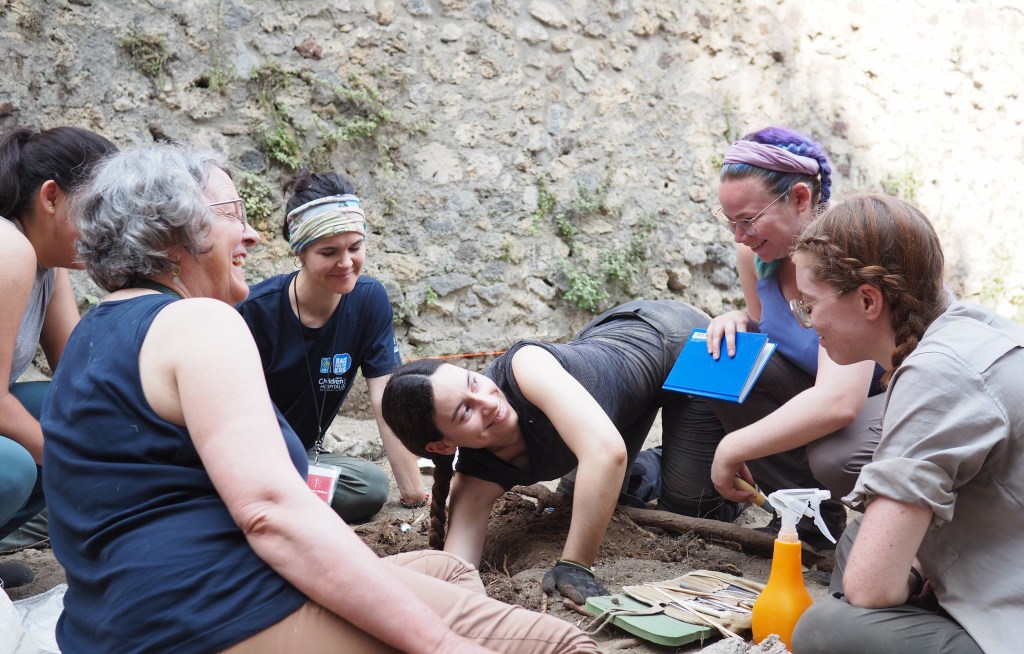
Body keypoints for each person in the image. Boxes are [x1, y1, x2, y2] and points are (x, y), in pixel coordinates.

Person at [40, 142, 597, 653]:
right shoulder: (202, 322)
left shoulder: (93, 332)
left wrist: (410, 493)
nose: (253, 235)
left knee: (447, 571)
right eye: (231, 213)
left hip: (111, 624)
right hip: (213, 614)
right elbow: (270, 513)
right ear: (173, 235)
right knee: (559, 645)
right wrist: (440, 645)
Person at [381, 300, 730, 605]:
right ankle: (659, 463)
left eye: (474, 382)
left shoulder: (527, 366)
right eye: (465, 412)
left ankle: (729, 463)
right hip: (623, 404)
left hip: (682, 343)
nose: (488, 402)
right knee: (576, 499)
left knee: (692, 507)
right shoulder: (476, 477)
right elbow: (458, 569)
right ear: (443, 445)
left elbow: (607, 454)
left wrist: (575, 564)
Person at [787, 194, 1018, 653]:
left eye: (809, 305)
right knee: (858, 540)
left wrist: (906, 572)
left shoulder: (939, 372)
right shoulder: (962, 329)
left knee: (827, 632)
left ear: (869, 300)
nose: (807, 322)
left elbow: (872, 588)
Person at [704, 126, 884, 541]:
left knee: (834, 457)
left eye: (747, 220)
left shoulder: (843, 250)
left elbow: (840, 401)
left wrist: (734, 447)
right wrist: (738, 319)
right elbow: (769, 332)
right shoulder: (755, 255)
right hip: (824, 383)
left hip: (885, 390)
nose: (738, 235)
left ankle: (879, 532)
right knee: (724, 358)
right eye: (729, 221)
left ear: (801, 198)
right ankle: (804, 519)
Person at [237, 170, 425, 522]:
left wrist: (414, 494)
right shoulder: (253, 312)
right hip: (248, 456)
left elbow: (386, 397)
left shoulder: (369, 300)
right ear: (301, 252)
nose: (345, 263)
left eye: (355, 247)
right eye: (328, 252)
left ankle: (276, 498)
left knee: (369, 486)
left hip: (301, 459)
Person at [0, 126, 117, 587]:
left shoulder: (46, 262)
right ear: (51, 197)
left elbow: (80, 377)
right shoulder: (9, 248)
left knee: (82, 416)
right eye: (98, 209)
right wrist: (77, 464)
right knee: (16, 466)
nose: (111, 227)